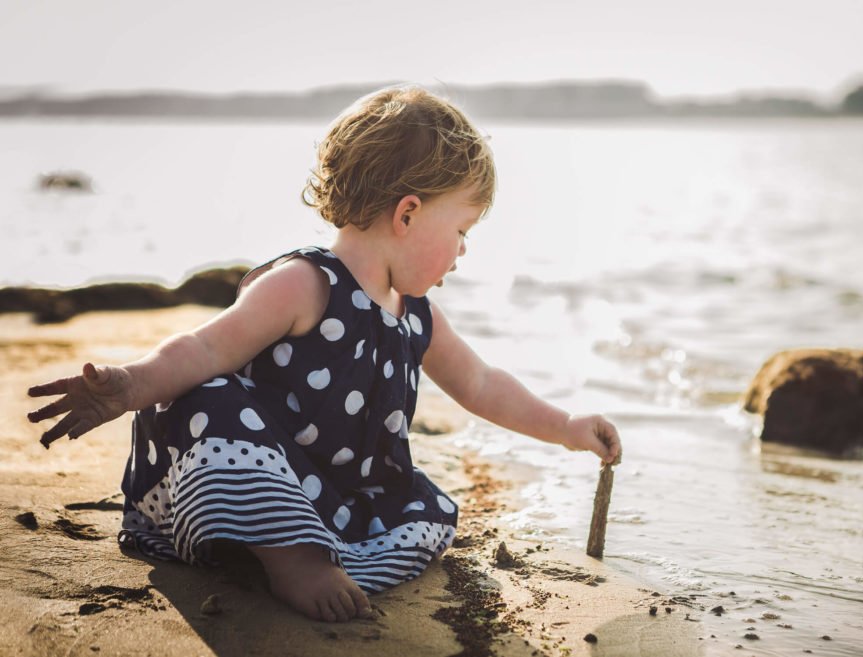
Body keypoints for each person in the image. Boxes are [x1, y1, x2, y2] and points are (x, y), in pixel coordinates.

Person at [26, 86, 622, 624]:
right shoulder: (306, 283)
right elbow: (206, 346)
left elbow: (483, 384)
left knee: (425, 513)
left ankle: (309, 546)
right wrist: (131, 384)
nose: (464, 251)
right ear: (408, 213)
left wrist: (566, 428)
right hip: (253, 465)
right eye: (462, 230)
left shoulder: (415, 313)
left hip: (332, 490)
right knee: (209, 398)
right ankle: (289, 559)